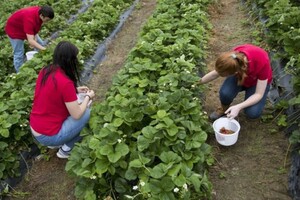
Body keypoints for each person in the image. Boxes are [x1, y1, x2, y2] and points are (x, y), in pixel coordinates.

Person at [29, 41, 95, 159]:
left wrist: (75, 90)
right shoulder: (65, 82)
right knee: (88, 113)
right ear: (69, 61)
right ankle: (66, 149)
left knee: (79, 105)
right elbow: (77, 115)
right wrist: (88, 97)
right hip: (48, 135)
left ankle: (56, 142)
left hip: (36, 127)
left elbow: (54, 92)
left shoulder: (46, 70)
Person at [199, 44, 272, 120]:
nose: (220, 75)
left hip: (256, 83)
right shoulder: (233, 58)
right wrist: (196, 83)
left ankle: (239, 107)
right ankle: (224, 109)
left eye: (223, 75)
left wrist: (238, 107)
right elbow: (215, 73)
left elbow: (258, 94)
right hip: (240, 77)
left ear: (235, 72)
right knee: (225, 94)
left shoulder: (262, 61)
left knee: (253, 112)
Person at [5, 5, 54, 72]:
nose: (48, 21)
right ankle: (20, 73)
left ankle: (40, 61)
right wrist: (43, 49)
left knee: (41, 44)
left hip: (23, 26)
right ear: (42, 16)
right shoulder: (29, 19)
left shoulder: (40, 11)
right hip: (14, 30)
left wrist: (35, 40)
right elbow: (31, 40)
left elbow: (35, 29)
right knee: (19, 53)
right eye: (47, 19)